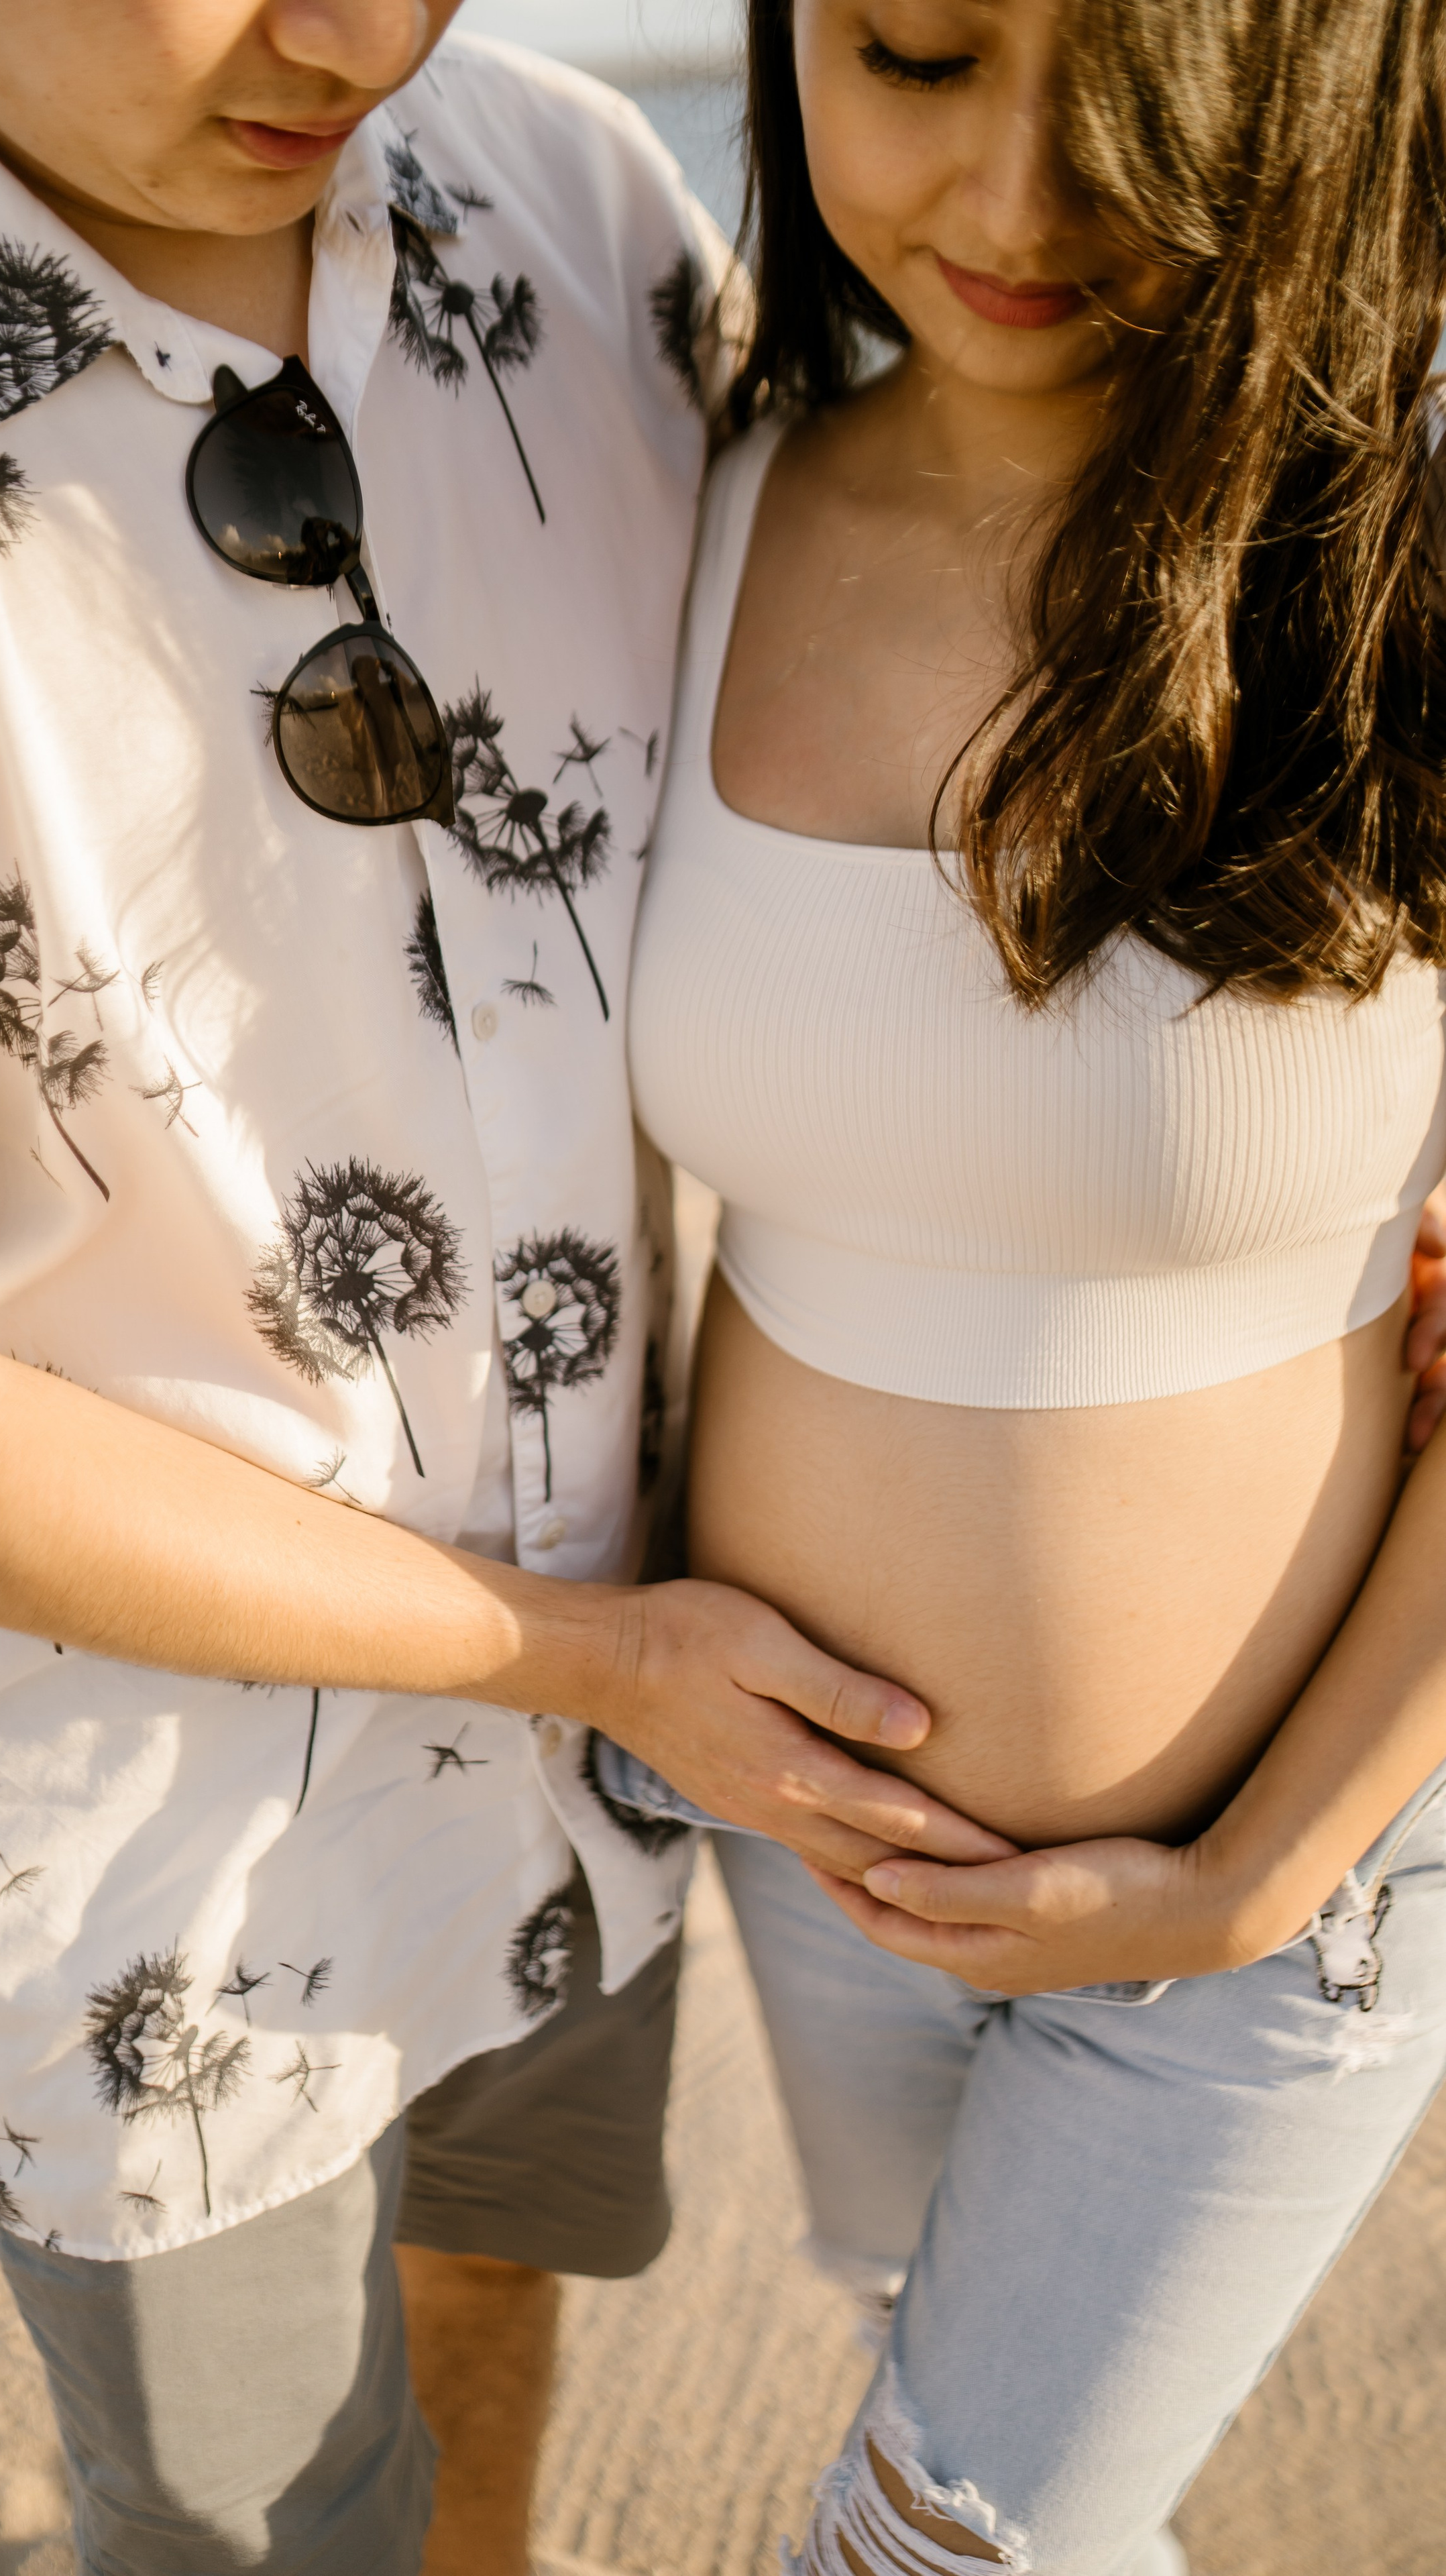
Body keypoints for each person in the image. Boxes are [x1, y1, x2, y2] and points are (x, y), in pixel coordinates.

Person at [0, 5, 1010, 2571]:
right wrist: (592, 1662)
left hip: (614, 1726)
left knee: (491, 2299)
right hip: (142, 1854)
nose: (353, 34)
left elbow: (917, 693)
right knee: (251, 2526)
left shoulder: (555, 179)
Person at [624, 0, 1446, 2569]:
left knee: (940, 2542)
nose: (1013, 198)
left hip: (1265, 1888)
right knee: (972, 2410)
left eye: (1136, 101)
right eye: (917, 54)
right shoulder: (684, 492)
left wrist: (1253, 1879)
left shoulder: (1408, 545)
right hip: (813, 1846)